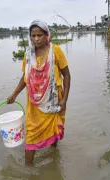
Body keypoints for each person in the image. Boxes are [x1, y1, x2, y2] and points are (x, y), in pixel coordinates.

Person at [7, 20, 71, 167]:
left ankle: (53, 156)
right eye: (33, 35)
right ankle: (28, 167)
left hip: (54, 99)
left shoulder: (55, 51)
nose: (36, 39)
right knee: (31, 131)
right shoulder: (28, 54)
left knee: (54, 126)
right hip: (35, 102)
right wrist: (14, 94)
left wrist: (64, 100)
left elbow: (67, 75)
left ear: (46, 35)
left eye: (39, 35)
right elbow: (25, 78)